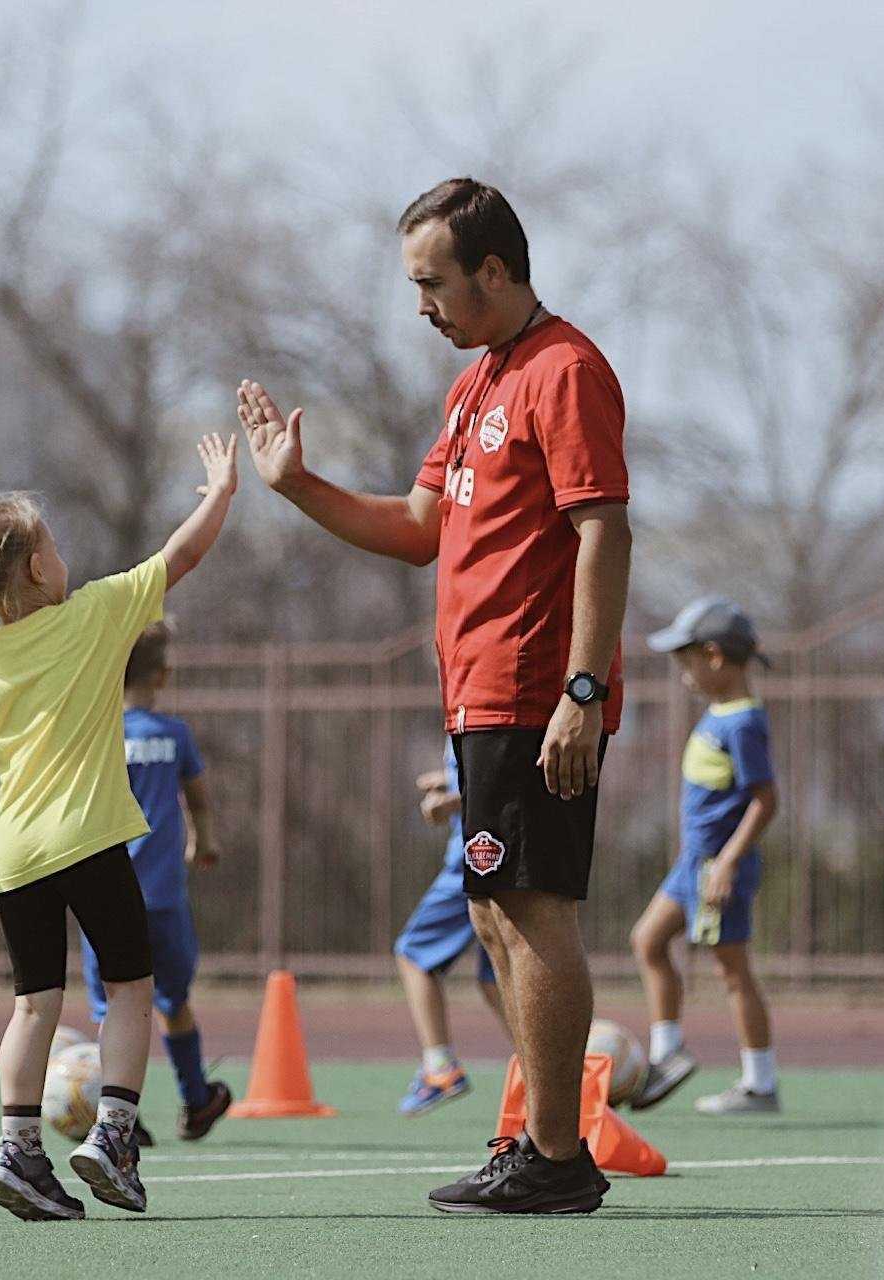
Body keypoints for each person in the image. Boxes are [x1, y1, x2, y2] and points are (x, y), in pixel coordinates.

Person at [239, 177, 632, 1214]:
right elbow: (420, 530)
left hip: (534, 687)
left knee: (531, 910)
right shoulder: (473, 386)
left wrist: (580, 691)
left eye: (433, 283)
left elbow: (603, 531)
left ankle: (554, 1153)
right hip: (476, 696)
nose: (421, 304)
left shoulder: (564, 369)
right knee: (493, 914)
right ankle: (536, 1137)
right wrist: (296, 486)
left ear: (493, 272)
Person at [0, 434, 238, 1222]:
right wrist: (221, 489)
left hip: (16, 857)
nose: (64, 555)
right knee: (133, 987)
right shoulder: (98, 615)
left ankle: (18, 1151)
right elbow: (182, 555)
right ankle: (113, 1133)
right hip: (90, 840)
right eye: (54, 543)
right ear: (38, 568)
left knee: (34, 1006)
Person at [81, 620, 232, 1142]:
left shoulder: (95, 733)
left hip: (100, 892)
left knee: (111, 1007)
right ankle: (196, 1100)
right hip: (162, 896)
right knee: (173, 1000)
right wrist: (204, 840)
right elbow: (199, 797)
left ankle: (120, 1117)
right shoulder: (173, 735)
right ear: (163, 675)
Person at [629, 596, 781, 1114]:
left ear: (714, 656)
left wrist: (729, 863)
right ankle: (667, 1053)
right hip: (691, 866)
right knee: (648, 941)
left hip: (717, 867)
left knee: (731, 970)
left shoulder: (742, 723)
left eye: (685, 658)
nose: (681, 671)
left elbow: (766, 800)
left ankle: (760, 1084)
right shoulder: (720, 714)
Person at [394, 737, 508, 1116]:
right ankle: (551, 1074)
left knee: (413, 955)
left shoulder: (480, 699)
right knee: (498, 979)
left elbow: (507, 776)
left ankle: (440, 1068)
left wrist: (454, 801)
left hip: (477, 856)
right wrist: (448, 782)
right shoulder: (463, 705)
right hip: (496, 852)